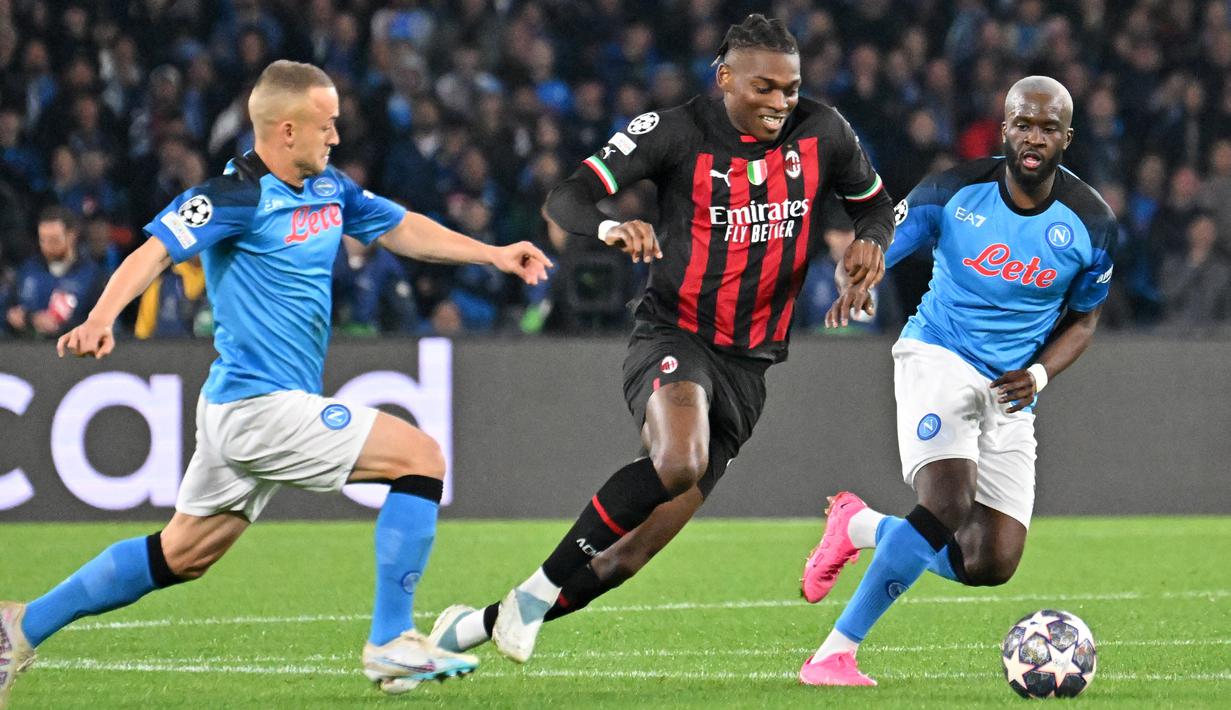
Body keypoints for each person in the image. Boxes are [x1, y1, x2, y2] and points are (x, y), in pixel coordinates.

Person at [0, 60, 552, 705]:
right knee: (420, 457)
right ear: (286, 130)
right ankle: (391, 642)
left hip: (251, 405)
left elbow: (401, 226)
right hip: (256, 406)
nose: (337, 137)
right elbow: (153, 249)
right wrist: (99, 317)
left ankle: (20, 625)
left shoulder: (330, 188)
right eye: (327, 125)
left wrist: (491, 253)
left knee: (184, 554)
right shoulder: (233, 196)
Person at [428, 14, 894, 664]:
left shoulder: (824, 130)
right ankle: (533, 594)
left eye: (789, 89)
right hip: (676, 333)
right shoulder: (673, 131)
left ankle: (480, 624)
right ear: (725, 78)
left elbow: (873, 203)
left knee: (629, 555)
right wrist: (612, 229)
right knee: (679, 461)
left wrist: (871, 241)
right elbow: (566, 198)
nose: (779, 103)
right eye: (764, 88)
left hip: (749, 369)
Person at [797, 76, 1116, 686]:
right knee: (947, 500)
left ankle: (857, 525)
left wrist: (1041, 373)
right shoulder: (953, 189)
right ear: (1005, 128)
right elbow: (882, 238)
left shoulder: (1091, 223)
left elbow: (1085, 317)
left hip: (1012, 386)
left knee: (989, 561)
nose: (1034, 137)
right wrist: (861, 273)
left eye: (1049, 128)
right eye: (1024, 123)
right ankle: (833, 654)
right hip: (937, 354)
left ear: (1066, 139)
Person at [4, 206, 102, 339]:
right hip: (27, 351)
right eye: (43, 240)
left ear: (71, 235)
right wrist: (23, 318)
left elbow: (101, 322)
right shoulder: (27, 270)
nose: (47, 246)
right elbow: (8, 309)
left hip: (73, 353)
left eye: (54, 240)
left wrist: (61, 327)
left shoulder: (91, 275)